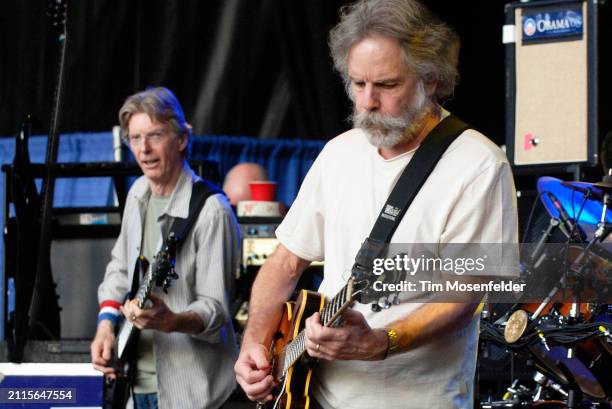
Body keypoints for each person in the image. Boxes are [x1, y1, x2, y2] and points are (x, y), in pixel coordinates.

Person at [234, 1, 518, 408]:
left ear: (431, 80)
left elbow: (466, 291)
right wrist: (255, 346)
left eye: (386, 85)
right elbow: (284, 262)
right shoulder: (338, 153)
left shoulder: (478, 165)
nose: (366, 101)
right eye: (357, 83)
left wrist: (383, 341)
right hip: (318, 396)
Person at [90, 87, 239, 409]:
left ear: (182, 139)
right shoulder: (138, 193)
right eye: (135, 138)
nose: (143, 150)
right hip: (133, 384)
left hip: (191, 392)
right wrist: (106, 324)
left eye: (155, 136)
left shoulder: (212, 211)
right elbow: (120, 267)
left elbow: (216, 310)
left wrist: (171, 320)